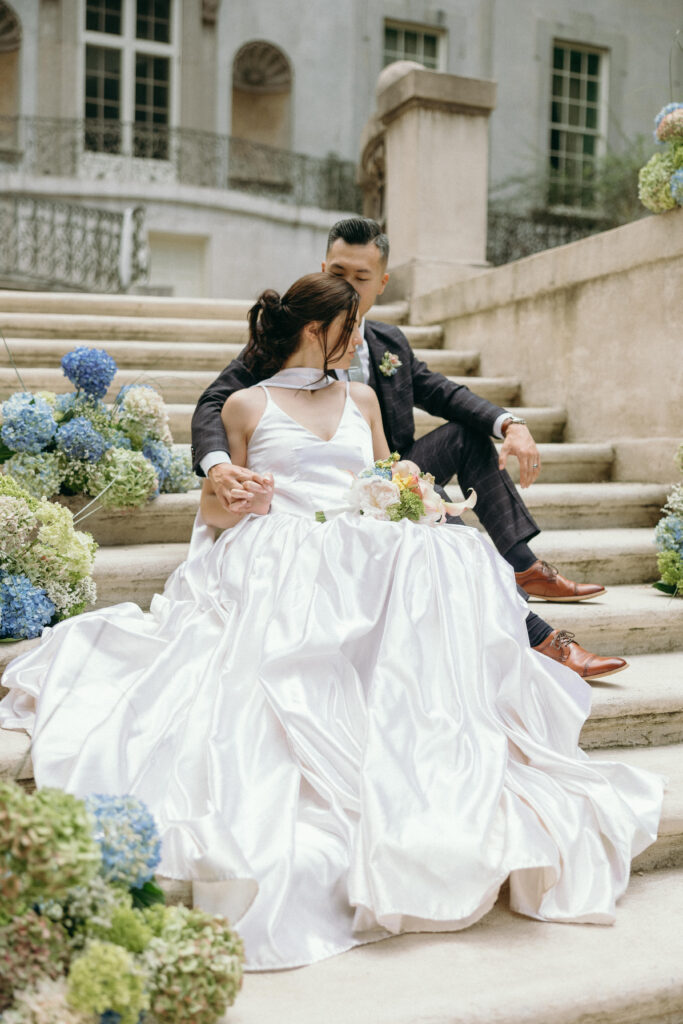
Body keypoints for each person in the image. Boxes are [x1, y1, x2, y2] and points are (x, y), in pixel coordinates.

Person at [0, 273, 663, 973]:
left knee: (449, 555)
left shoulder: (364, 397)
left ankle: (448, 703)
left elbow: (386, 480)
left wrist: (417, 503)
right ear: (317, 331)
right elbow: (218, 514)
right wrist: (228, 488)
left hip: (361, 539)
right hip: (281, 547)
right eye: (349, 327)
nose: (359, 337)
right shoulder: (247, 405)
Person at [191, 218, 626, 682]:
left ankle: (522, 568)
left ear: (381, 282)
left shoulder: (385, 344)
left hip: (379, 477)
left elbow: (444, 395)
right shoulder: (287, 340)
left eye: (360, 279)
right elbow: (214, 403)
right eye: (337, 274)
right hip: (308, 507)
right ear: (322, 271)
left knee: (463, 445)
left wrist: (509, 423)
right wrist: (219, 469)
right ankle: (526, 604)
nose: (346, 286)